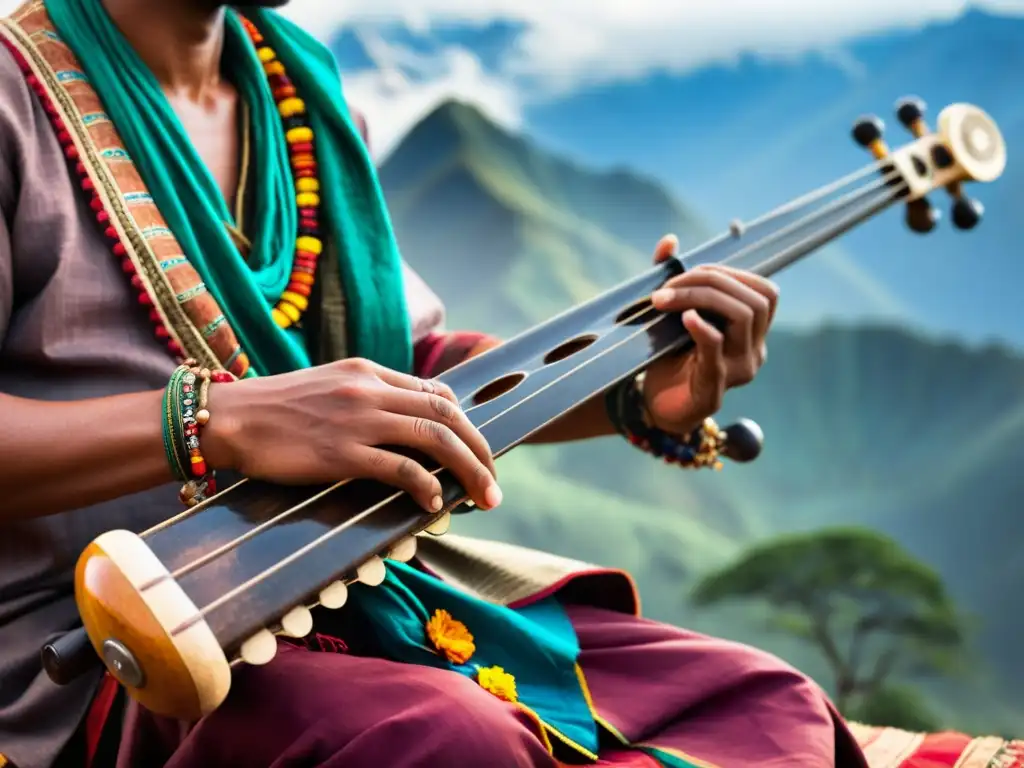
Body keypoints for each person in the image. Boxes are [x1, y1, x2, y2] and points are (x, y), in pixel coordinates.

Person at [0, 1, 870, 767]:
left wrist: (637, 395)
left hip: (346, 578)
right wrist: (212, 421)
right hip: (100, 648)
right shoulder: (14, 98)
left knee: (766, 705)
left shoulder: (300, 95)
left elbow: (399, 372)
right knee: (450, 741)